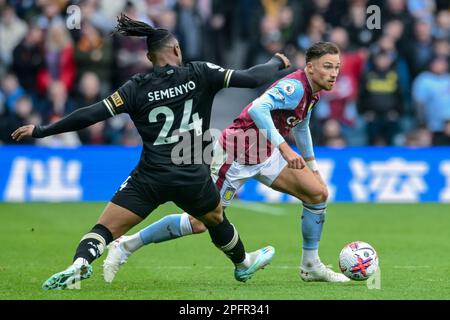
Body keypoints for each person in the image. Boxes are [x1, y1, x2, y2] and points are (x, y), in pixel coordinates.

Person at [11, 14, 291, 290]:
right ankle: (242, 264)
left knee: (105, 229)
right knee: (215, 218)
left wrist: (41, 130)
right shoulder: (199, 73)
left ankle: (80, 262)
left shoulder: (135, 88)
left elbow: (91, 115)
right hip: (192, 175)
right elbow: (253, 78)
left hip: (150, 177)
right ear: (177, 49)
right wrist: (276, 61)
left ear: (149, 58)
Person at [104, 41, 350, 283]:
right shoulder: (294, 87)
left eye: (337, 67)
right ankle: (126, 245)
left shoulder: (312, 93)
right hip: (235, 155)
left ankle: (310, 266)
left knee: (317, 193)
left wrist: (313, 168)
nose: (334, 73)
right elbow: (257, 109)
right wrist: (285, 149)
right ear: (309, 68)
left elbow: (302, 125)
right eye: (327, 66)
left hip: (264, 153)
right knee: (199, 222)